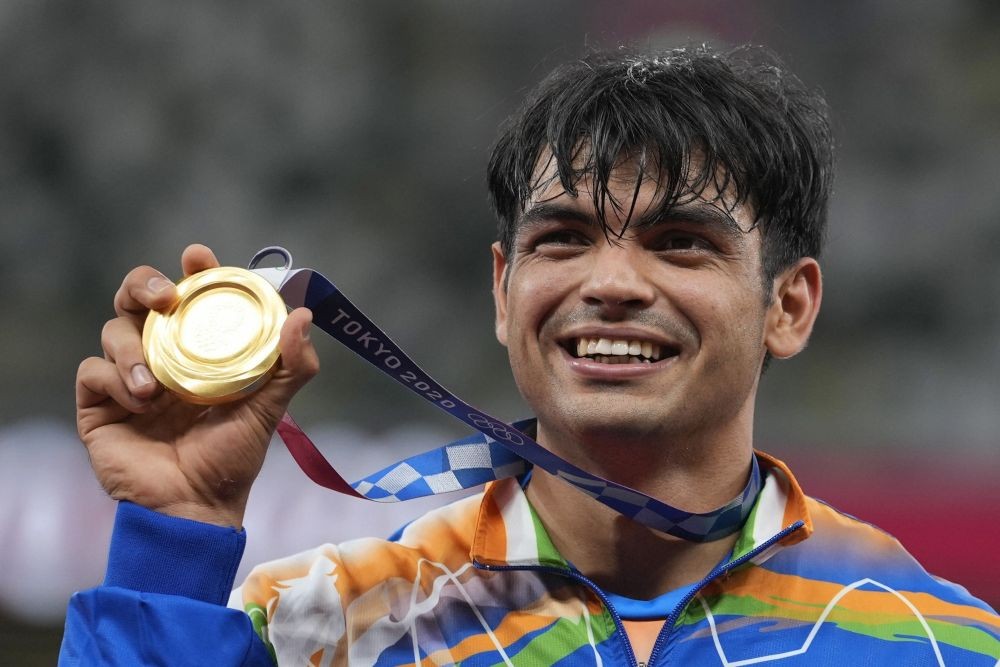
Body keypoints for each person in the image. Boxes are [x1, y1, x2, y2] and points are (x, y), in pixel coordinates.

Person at [61, 45, 999, 666]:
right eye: (563, 238)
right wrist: (175, 532)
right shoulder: (322, 625)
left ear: (788, 306)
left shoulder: (931, 640)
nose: (613, 282)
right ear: (504, 292)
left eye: (679, 242)